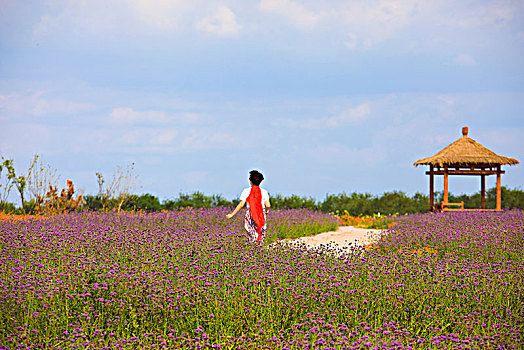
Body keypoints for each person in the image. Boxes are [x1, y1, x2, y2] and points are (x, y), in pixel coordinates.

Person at [226, 170, 271, 243]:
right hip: (261, 214)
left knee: (252, 233)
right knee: (260, 233)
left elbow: (241, 204)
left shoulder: (246, 191)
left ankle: (253, 247)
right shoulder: (264, 192)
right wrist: (266, 211)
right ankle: (259, 247)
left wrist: (232, 214)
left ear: (250, 181)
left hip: (251, 214)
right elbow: (268, 205)